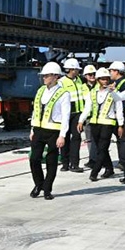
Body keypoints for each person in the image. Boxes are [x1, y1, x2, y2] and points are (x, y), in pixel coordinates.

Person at [29, 62, 71, 200]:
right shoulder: (40, 90)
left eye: (47, 76)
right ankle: (38, 184)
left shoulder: (64, 94)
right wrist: (32, 129)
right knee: (34, 158)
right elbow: (36, 110)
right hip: (39, 130)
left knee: (51, 161)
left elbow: (66, 116)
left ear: (55, 76)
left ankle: (47, 189)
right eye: (43, 76)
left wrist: (62, 135)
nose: (44, 78)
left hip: (54, 131)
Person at [78, 70, 125, 180]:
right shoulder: (93, 93)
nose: (105, 81)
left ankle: (95, 172)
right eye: (102, 79)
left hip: (108, 123)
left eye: (107, 79)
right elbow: (87, 108)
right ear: (98, 80)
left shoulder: (114, 92)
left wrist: (120, 125)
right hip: (95, 123)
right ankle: (109, 168)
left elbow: (119, 109)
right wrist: (81, 120)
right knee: (101, 149)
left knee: (103, 147)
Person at [59, 58, 86, 172]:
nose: (77, 71)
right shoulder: (61, 82)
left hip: (77, 114)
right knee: (64, 138)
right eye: (75, 69)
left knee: (76, 138)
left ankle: (74, 164)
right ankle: (65, 163)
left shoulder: (80, 80)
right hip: (66, 114)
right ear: (70, 69)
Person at [109, 61, 125, 168]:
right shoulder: (116, 83)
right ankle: (122, 160)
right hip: (116, 115)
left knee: (123, 139)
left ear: (117, 71)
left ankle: (124, 162)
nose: (110, 73)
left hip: (124, 115)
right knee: (120, 139)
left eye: (111, 71)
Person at [77, 64, 99, 171]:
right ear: (85, 76)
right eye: (89, 74)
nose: (92, 76)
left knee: (99, 140)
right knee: (90, 140)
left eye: (94, 74)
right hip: (87, 117)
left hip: (99, 117)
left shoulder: (100, 86)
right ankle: (92, 159)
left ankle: (98, 159)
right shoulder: (82, 88)